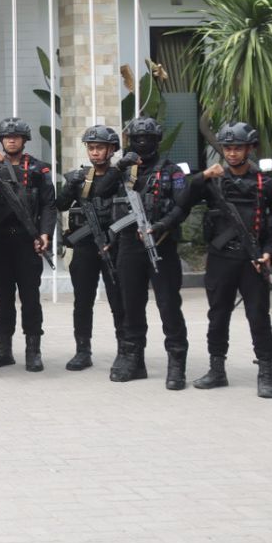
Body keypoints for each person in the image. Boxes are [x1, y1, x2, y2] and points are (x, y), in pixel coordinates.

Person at [184, 122, 272, 398]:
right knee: (218, 315)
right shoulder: (214, 182)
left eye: (238, 148)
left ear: (249, 149)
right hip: (221, 259)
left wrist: (270, 252)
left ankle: (266, 373)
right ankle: (216, 369)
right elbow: (183, 199)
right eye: (227, 148)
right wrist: (203, 175)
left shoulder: (266, 185)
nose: (232, 153)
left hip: (253, 260)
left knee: (258, 316)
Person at [110, 116, 190, 388]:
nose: (142, 143)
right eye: (137, 139)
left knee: (168, 305)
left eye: (148, 138)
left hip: (160, 244)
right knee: (130, 305)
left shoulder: (172, 171)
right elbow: (100, 190)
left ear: (157, 140)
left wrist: (161, 226)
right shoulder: (124, 171)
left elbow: (182, 206)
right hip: (129, 246)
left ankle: (176, 363)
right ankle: (134, 361)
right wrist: (118, 167)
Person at [0, 118, 56, 372]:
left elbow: (48, 205)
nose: (11, 140)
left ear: (24, 140)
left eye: (16, 136)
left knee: (31, 298)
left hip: (27, 241)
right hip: (0, 241)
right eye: (7, 137)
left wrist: (45, 234)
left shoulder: (38, 169)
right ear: (1, 140)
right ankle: (4, 350)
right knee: (3, 299)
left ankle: (33, 351)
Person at [54, 125, 126, 371]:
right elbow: (60, 205)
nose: (95, 152)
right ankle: (82, 351)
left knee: (118, 301)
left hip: (113, 246)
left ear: (111, 150)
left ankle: (124, 350)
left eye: (100, 148)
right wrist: (69, 186)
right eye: (91, 148)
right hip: (85, 247)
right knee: (82, 301)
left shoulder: (121, 177)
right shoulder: (81, 178)